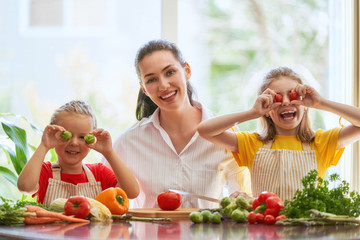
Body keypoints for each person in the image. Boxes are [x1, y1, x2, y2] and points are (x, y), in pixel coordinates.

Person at [107, 39, 252, 209]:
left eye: (169, 72)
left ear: (187, 71)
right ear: (144, 89)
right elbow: (101, 197)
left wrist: (242, 199)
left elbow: (243, 199)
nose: (163, 85)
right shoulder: (128, 142)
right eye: (152, 80)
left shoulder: (227, 136)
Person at [197, 66, 360, 201]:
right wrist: (252, 113)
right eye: (277, 98)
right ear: (267, 110)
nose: (287, 101)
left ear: (304, 105)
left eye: (292, 95)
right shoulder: (253, 143)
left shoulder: (321, 142)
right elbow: (204, 130)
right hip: (264, 230)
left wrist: (321, 102)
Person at [17, 100, 139, 205]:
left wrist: (109, 153)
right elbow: (25, 186)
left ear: (91, 140)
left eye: (82, 137)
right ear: (54, 135)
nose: (74, 143)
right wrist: (44, 145)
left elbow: (132, 192)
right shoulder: (45, 172)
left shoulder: (99, 173)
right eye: (66, 135)